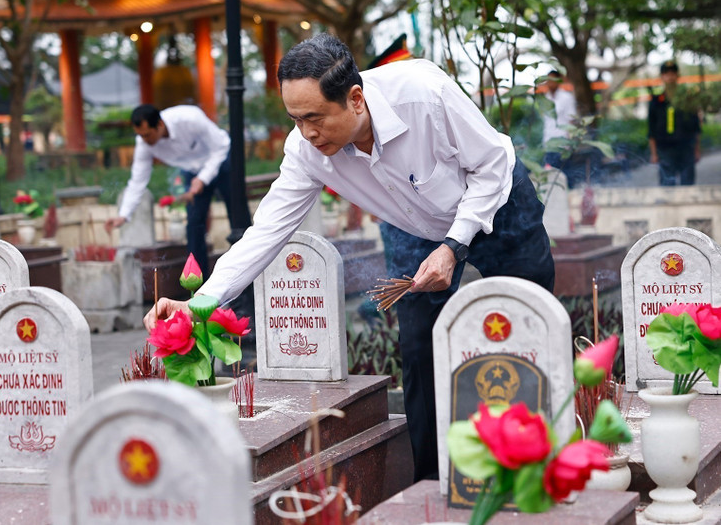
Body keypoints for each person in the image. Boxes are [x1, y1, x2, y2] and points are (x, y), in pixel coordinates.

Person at [143, 34, 555, 482]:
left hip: (497, 202)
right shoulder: (306, 152)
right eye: (295, 120)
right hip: (417, 228)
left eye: (315, 118)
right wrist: (199, 303)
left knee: (530, 322)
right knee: (418, 346)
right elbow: (265, 233)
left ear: (355, 99)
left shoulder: (423, 93)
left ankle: (542, 463)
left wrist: (454, 246)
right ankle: (431, 482)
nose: (306, 133)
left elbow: (491, 164)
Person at [105, 104, 250, 272]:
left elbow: (221, 147)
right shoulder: (144, 143)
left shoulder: (190, 118)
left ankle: (250, 278)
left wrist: (203, 178)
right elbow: (138, 180)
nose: (145, 140)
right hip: (192, 171)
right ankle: (199, 286)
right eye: (140, 136)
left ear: (159, 125)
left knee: (238, 219)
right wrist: (123, 215)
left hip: (222, 161)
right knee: (194, 225)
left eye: (147, 135)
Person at [648, 60, 702, 186]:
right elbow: (651, 129)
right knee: (667, 184)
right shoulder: (657, 101)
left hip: (686, 147)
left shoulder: (688, 99)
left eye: (673, 73)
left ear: (678, 75)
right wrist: (654, 153)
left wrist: (697, 149)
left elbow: (696, 127)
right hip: (665, 148)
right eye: (666, 73)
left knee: (687, 184)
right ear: (662, 76)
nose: (670, 77)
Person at [541, 69, 577, 170]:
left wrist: (570, 142)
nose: (550, 83)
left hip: (562, 142)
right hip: (548, 141)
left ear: (558, 81)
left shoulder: (566, 97)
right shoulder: (545, 98)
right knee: (550, 173)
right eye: (548, 80)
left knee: (564, 172)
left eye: (553, 80)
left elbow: (571, 120)